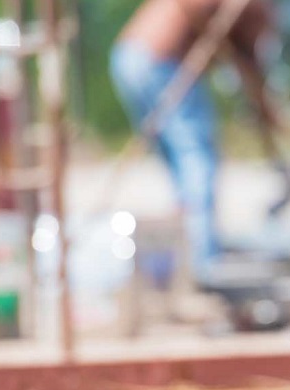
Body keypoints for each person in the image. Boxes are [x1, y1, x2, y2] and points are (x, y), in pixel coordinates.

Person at [110, 0, 275, 286]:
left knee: (182, 169)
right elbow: (250, 63)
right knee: (197, 157)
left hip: (129, 56)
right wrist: (265, 112)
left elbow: (247, 65)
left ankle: (185, 253)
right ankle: (203, 263)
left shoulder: (243, 10)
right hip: (159, 59)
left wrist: (264, 115)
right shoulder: (253, 8)